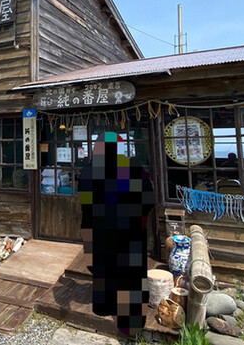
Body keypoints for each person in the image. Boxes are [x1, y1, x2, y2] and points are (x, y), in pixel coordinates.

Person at [79, 132, 154, 337]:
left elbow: (86, 208)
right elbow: (148, 200)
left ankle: (107, 308)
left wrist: (87, 235)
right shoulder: (135, 169)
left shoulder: (90, 172)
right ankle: (131, 323)